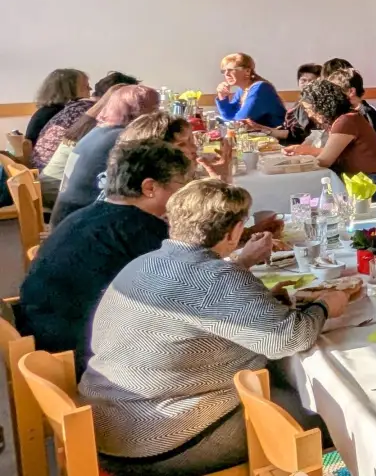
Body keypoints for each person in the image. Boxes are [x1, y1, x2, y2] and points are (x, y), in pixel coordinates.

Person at [79, 179, 340, 476]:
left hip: (108, 418)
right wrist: (327, 304)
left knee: (284, 389)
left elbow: (198, 306)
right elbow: (290, 338)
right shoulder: (217, 278)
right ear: (235, 232)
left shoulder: (145, 262)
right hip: (160, 441)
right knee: (331, 423)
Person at [17, 141, 196, 365]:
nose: (187, 193)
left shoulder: (85, 215)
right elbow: (193, 293)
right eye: (183, 184)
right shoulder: (141, 229)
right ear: (150, 187)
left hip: (39, 332)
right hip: (79, 355)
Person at [52, 84, 161, 224]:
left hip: (66, 217)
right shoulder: (123, 139)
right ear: (138, 110)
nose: (158, 115)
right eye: (155, 108)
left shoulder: (99, 131)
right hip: (83, 224)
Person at [289, 78, 376, 199]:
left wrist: (298, 159)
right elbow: (333, 153)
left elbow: (325, 160)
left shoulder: (346, 121)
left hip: (369, 183)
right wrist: (301, 150)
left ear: (321, 105)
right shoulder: (346, 118)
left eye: (309, 109)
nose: (310, 114)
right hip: (364, 179)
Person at [33, 70, 131, 169]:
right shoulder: (90, 111)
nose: (90, 89)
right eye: (86, 86)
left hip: (40, 172)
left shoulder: (76, 107)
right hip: (53, 177)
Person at [245, 64, 321, 145]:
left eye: (312, 81)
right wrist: (258, 127)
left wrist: (261, 129)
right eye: (303, 80)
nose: (307, 84)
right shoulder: (300, 101)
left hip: (297, 146)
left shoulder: (312, 105)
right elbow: (287, 130)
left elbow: (297, 135)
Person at [213, 53, 287, 128]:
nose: (226, 74)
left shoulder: (260, 88)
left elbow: (240, 120)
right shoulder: (242, 89)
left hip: (278, 137)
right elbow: (229, 116)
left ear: (247, 71)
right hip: (260, 136)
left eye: (231, 70)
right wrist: (222, 97)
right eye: (224, 71)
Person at [26, 68, 88, 144]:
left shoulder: (46, 111)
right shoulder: (65, 112)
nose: (90, 89)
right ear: (69, 90)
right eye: (85, 86)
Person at [325, 69, 376, 136]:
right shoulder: (361, 111)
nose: (332, 96)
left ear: (351, 91)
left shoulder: (363, 116)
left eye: (335, 91)